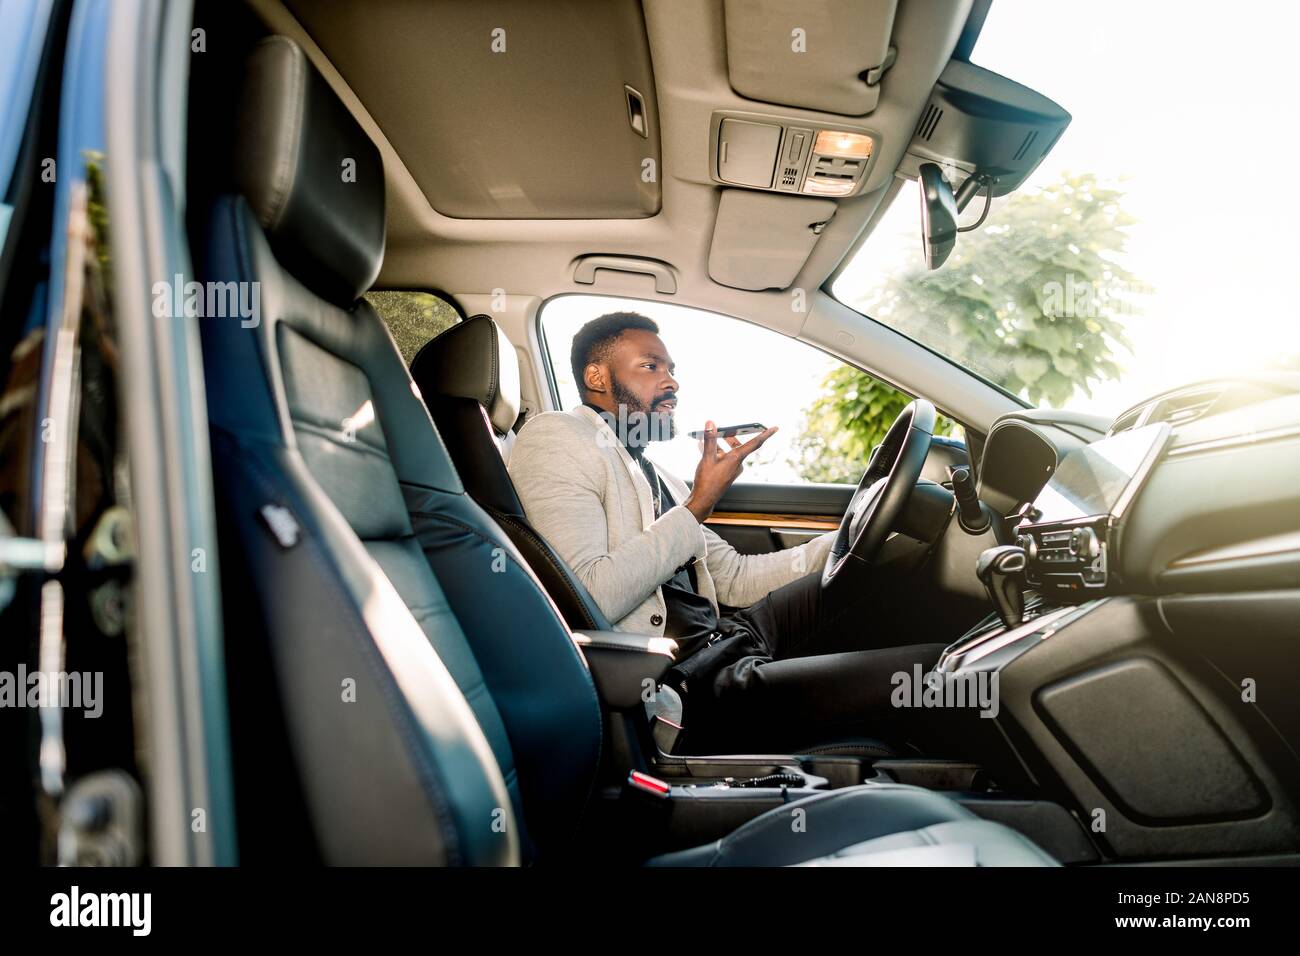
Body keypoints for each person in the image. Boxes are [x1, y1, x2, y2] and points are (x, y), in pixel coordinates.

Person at [508, 312, 944, 751]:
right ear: (596, 376)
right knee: (937, 672)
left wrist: (857, 530)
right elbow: (592, 593)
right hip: (690, 679)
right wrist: (699, 503)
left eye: (672, 370)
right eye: (651, 366)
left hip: (733, 635)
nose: (672, 382)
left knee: (889, 573)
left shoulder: (657, 474)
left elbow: (733, 578)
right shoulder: (557, 436)